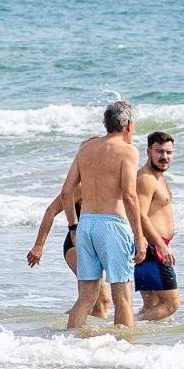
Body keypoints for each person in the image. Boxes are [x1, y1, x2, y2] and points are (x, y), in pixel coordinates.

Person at [52, 101, 161, 329]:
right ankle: (122, 351)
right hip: (112, 226)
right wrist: (139, 237)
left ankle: (68, 343)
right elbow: (130, 196)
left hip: (87, 224)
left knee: (86, 296)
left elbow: (66, 192)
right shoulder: (128, 151)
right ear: (129, 125)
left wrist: (73, 226)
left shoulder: (86, 149)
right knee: (122, 295)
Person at [26, 138, 110, 322]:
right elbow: (51, 211)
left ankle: (64, 330)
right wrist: (39, 246)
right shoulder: (81, 186)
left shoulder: (106, 183)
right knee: (100, 300)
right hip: (76, 246)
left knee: (92, 301)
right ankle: (73, 336)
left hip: (94, 245)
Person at [133, 131, 179, 322]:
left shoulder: (158, 177)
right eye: (159, 151)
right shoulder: (146, 179)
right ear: (149, 151)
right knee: (171, 304)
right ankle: (126, 327)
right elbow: (140, 215)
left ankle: (131, 340)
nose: (164, 157)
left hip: (152, 245)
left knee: (151, 304)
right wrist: (161, 245)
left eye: (169, 152)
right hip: (152, 247)